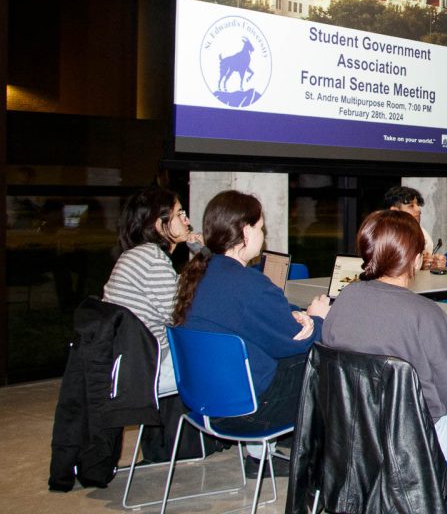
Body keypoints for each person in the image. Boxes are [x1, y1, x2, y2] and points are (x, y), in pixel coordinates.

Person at [321, 209, 447, 514]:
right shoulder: (426, 314)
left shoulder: (343, 302)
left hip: (353, 438)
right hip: (413, 444)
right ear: (414, 260)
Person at [174, 190, 330, 441]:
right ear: (246, 232)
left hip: (204, 402)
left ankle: (263, 456)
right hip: (248, 412)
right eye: (261, 228)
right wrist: (318, 319)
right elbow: (297, 341)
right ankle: (317, 466)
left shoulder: (198, 276)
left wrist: (296, 315)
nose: (263, 235)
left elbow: (263, 322)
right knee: (332, 365)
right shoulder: (248, 284)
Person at [102, 187, 201, 395]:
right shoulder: (153, 260)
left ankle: (175, 426)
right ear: (159, 224)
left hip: (129, 358)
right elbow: (182, 317)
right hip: (147, 365)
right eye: (180, 214)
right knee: (228, 362)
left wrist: (201, 256)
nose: (187, 220)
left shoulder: (138, 255)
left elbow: (175, 294)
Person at [384, 184, 436, 256]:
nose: (418, 209)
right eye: (411, 206)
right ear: (395, 211)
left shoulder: (423, 234)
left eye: (417, 205)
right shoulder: (383, 236)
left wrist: (432, 262)